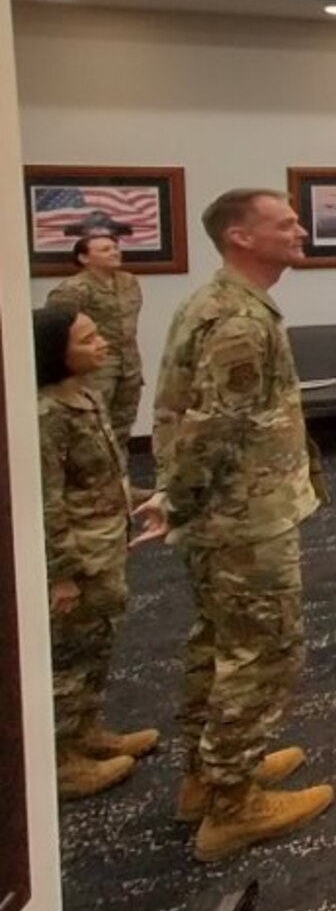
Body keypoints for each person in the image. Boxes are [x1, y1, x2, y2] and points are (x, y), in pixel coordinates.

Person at [153, 188, 334, 862]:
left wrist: (176, 498)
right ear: (241, 237)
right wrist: (177, 498)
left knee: (218, 641)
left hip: (222, 510)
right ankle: (233, 805)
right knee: (262, 652)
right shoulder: (237, 319)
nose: (299, 230)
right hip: (242, 515)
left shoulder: (219, 302)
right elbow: (212, 428)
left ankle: (207, 775)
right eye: (283, 223)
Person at [36, 305, 162, 799]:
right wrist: (59, 574)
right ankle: (61, 760)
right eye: (88, 340)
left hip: (105, 542)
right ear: (56, 353)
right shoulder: (46, 413)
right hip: (76, 555)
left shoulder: (84, 396)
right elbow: (46, 500)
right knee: (67, 657)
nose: (102, 345)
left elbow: (102, 475)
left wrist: (142, 498)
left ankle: (86, 732)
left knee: (96, 643)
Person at [45, 229, 144, 463]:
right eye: (105, 249)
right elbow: (59, 332)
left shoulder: (129, 282)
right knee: (94, 429)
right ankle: (94, 487)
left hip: (128, 364)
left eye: (116, 248)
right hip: (95, 367)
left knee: (122, 426)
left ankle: (123, 484)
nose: (114, 253)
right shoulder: (71, 290)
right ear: (84, 258)